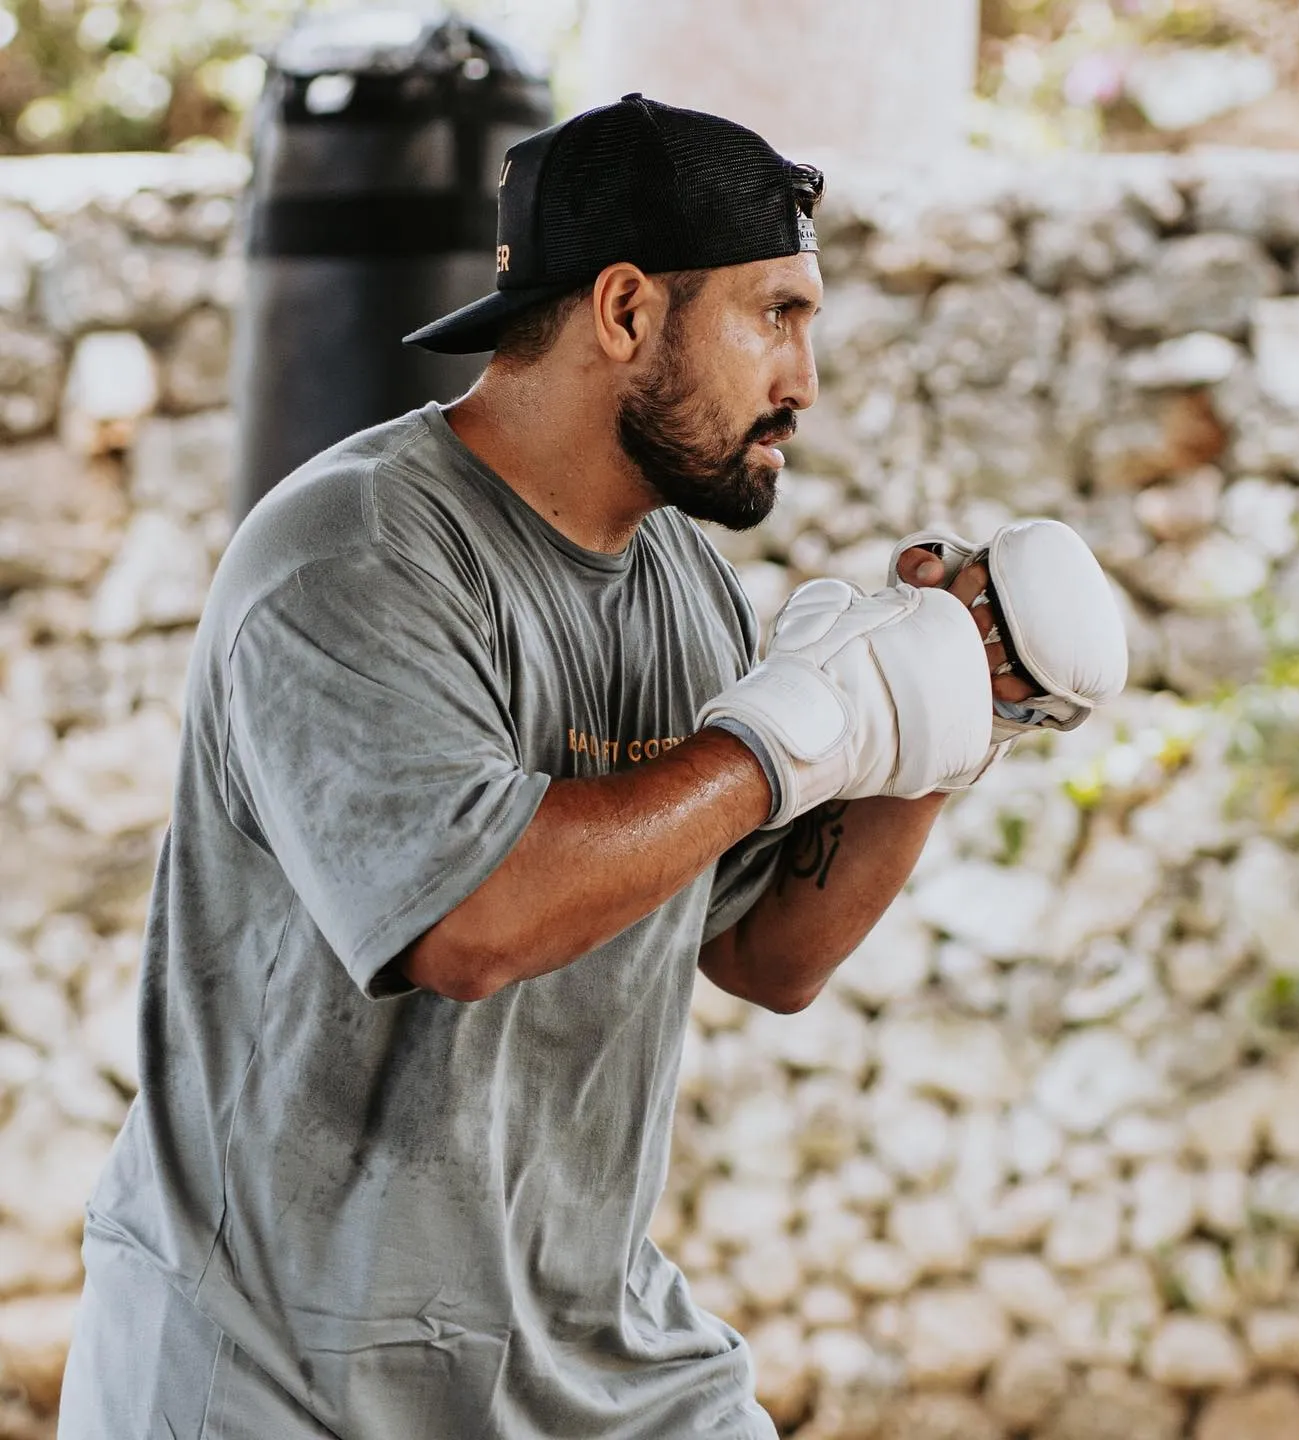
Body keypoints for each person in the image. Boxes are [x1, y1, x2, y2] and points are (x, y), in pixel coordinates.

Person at [57, 94, 1121, 1439]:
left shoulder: (687, 585)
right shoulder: (353, 554)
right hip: (280, 1368)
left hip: (580, 1351)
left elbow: (769, 959)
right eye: (774, 317)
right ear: (625, 312)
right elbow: (474, 923)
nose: (805, 381)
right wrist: (784, 742)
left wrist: (941, 722)